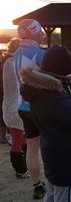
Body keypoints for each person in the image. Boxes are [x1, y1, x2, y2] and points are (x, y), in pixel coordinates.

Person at [20, 45, 71, 202]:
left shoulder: (38, 90)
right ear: (63, 70)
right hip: (67, 162)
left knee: (53, 195)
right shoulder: (53, 97)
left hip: (54, 155)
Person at [12, 19, 46, 199]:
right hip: (40, 107)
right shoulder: (40, 55)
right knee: (49, 145)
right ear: (34, 33)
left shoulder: (14, 54)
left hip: (22, 106)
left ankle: (37, 185)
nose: (42, 35)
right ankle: (56, 180)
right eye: (40, 32)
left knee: (32, 148)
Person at [2, 37, 29, 179]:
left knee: (22, 139)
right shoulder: (13, 63)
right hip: (15, 107)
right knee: (18, 141)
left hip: (11, 105)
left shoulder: (8, 62)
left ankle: (25, 166)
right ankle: (20, 170)